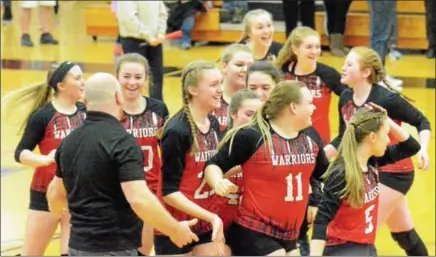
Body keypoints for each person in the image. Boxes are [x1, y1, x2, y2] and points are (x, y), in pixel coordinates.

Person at [46, 72, 199, 256]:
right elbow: (138, 199)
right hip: (114, 249)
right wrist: (174, 229)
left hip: (77, 248)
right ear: (118, 97)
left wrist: (74, 216)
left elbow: (55, 194)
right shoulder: (123, 142)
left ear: (85, 100)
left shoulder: (69, 141)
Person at [325, 46, 431, 256]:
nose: (343, 68)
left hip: (394, 172)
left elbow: (422, 120)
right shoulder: (346, 97)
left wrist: (424, 150)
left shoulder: (385, 99)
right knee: (403, 233)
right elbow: (344, 137)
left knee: (362, 234)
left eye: (349, 64)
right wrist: (319, 156)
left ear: (366, 72)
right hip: (370, 171)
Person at [204, 80, 329, 256]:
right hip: (253, 230)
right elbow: (213, 164)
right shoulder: (252, 136)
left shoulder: (311, 137)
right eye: (309, 103)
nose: (313, 108)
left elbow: (322, 175)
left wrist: (316, 201)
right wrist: (218, 182)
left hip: (291, 234)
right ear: (293, 107)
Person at [310, 106, 421, 256]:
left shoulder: (372, 161)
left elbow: (412, 147)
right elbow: (321, 221)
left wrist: (387, 121)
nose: (389, 140)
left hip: (366, 247)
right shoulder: (342, 173)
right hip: (343, 249)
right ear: (373, 137)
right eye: (386, 133)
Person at [1, 61, 86, 256]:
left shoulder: (85, 113)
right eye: (78, 78)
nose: (83, 82)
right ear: (61, 86)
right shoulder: (43, 116)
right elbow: (21, 152)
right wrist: (44, 159)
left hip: (77, 195)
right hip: (45, 194)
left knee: (71, 253)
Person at [154, 60, 231, 256]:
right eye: (213, 85)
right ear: (193, 90)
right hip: (177, 224)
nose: (220, 90)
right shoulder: (177, 131)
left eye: (220, 83)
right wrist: (212, 218)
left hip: (204, 221)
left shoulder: (212, 123)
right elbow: (169, 193)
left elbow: (211, 168)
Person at [116, 53, 170, 256]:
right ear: (117, 77)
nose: (132, 82)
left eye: (138, 77)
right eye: (126, 76)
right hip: (114, 192)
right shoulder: (108, 110)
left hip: (150, 192)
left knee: (142, 252)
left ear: (146, 78)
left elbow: (168, 153)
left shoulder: (158, 109)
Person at [276, 26, 347, 145]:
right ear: (295, 49)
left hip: (319, 143)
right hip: (285, 141)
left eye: (317, 47)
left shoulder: (328, 74)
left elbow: (350, 99)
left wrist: (340, 137)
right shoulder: (282, 73)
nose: (314, 51)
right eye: (309, 47)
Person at [217, 89, 263, 231]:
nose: (254, 120)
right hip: (217, 219)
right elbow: (204, 175)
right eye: (249, 114)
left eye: (259, 116)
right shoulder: (218, 141)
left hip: (250, 224)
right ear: (233, 113)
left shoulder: (266, 143)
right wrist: (244, 164)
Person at [116, 1, 168, 101]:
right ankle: (131, 109)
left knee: (156, 77)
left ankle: (157, 110)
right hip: (133, 40)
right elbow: (129, 18)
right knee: (133, 79)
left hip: (155, 40)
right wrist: (148, 36)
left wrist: (161, 32)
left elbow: (162, 13)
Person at [212, 43, 253, 132]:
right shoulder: (210, 97)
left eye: (250, 66)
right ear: (224, 66)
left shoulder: (257, 101)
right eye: (239, 65)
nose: (245, 69)